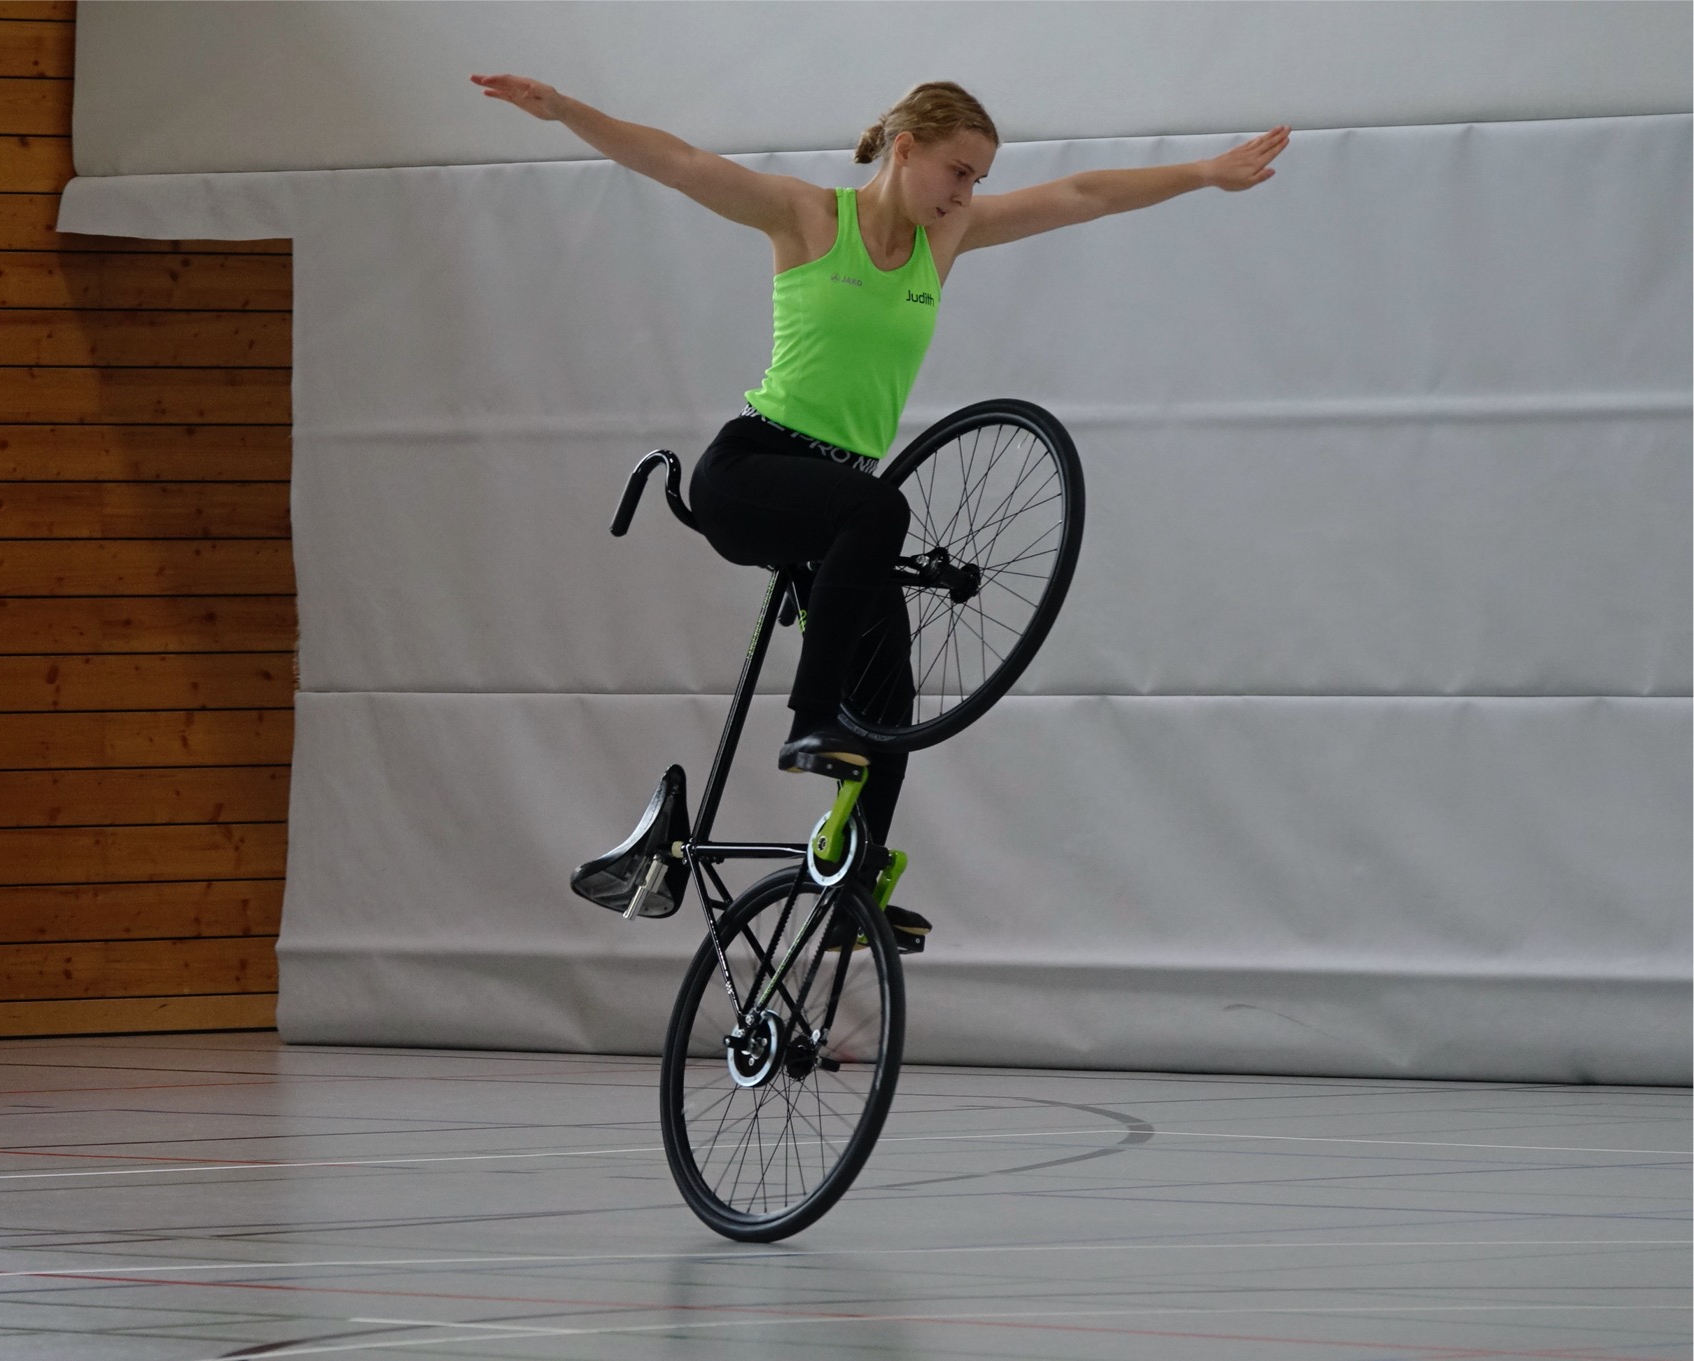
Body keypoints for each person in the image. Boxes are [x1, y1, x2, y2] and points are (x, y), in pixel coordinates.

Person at [474, 73, 1288, 850]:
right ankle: (811, 719)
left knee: (891, 691)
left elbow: (1082, 194)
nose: (964, 194)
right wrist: (564, 109)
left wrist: (1203, 173)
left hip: (839, 504)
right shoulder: (805, 216)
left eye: (977, 180)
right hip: (750, 470)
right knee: (877, 511)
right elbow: (680, 163)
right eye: (958, 171)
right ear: (905, 149)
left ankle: (854, 881)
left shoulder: (945, 238)